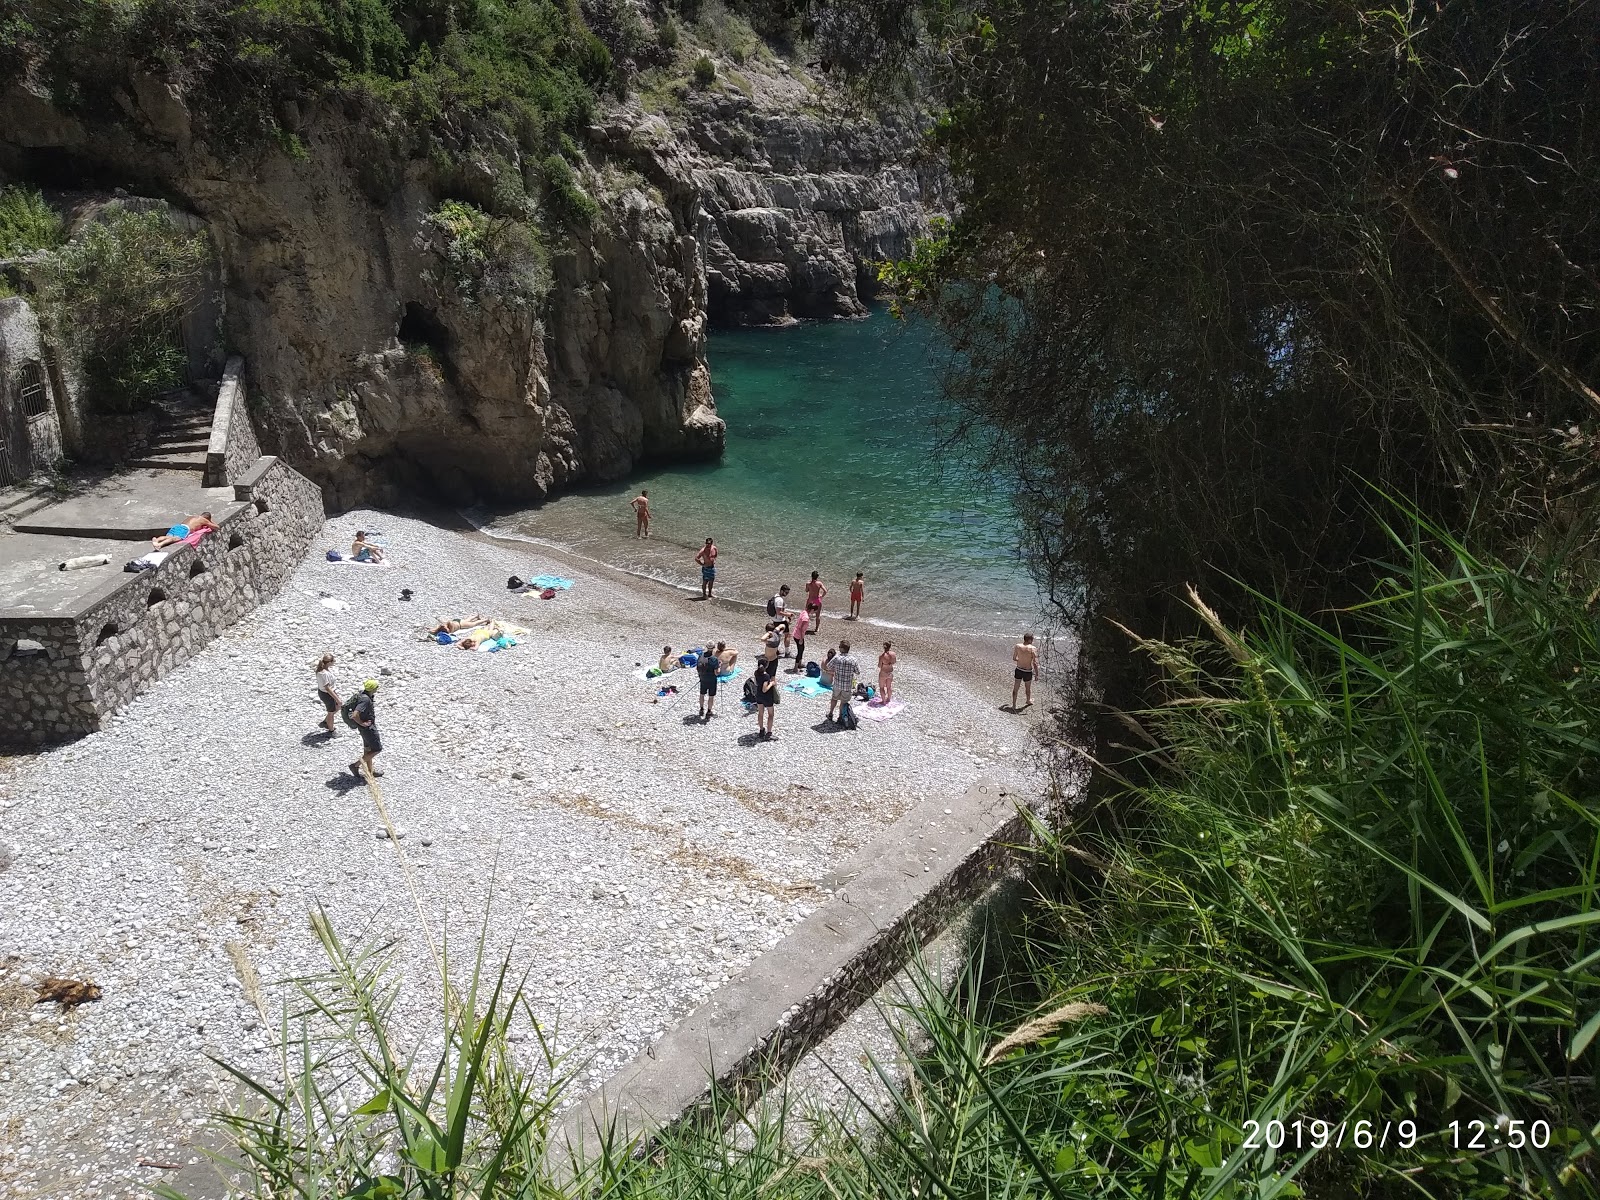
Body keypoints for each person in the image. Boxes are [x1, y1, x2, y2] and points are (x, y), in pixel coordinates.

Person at [349, 679, 383, 779]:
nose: (377, 688)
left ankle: (370, 771)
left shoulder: (361, 695)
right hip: (368, 728)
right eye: (376, 687)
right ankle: (355, 765)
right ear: (372, 689)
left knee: (368, 749)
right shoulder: (366, 700)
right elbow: (355, 715)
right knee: (377, 749)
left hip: (364, 729)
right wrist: (362, 723)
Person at [827, 641, 861, 726]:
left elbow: (828, 666)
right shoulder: (853, 660)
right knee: (843, 701)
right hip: (847, 685)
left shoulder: (836, 658)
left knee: (834, 698)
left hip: (837, 683)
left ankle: (830, 713)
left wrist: (837, 669)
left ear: (842, 648)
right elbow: (858, 672)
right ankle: (840, 717)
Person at [151, 512, 216, 550]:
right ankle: (160, 544)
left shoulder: (193, 516)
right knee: (175, 538)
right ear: (207, 518)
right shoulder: (203, 520)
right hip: (185, 529)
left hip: (178, 526)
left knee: (168, 537)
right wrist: (210, 521)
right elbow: (217, 527)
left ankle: (157, 540)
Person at [1012, 633, 1039, 710]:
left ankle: (1014, 705)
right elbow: (1035, 663)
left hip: (1019, 669)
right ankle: (1028, 700)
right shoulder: (1033, 648)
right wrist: (1037, 674)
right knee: (1027, 688)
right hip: (1027, 671)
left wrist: (1020, 660)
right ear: (1030, 640)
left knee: (1016, 688)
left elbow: (1014, 658)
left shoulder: (1017, 646)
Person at [314, 653, 340, 734]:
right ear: (328, 662)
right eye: (333, 661)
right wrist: (337, 698)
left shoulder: (322, 670)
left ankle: (326, 722)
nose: (334, 662)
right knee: (331, 712)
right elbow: (327, 688)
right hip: (327, 694)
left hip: (325, 692)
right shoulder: (324, 673)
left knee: (338, 707)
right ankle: (331, 730)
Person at [754, 662, 779, 740]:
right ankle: (769, 733)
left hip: (759, 695)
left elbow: (755, 683)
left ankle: (761, 730)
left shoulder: (756, 673)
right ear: (766, 666)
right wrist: (771, 683)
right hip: (767, 697)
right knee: (770, 714)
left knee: (760, 713)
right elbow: (764, 689)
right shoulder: (766, 676)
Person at [696, 645, 722, 719]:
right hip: (712, 680)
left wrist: (700, 676)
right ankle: (709, 711)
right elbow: (717, 673)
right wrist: (719, 666)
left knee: (702, 694)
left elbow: (697, 668)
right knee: (711, 696)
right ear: (713, 648)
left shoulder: (701, 656)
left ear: (707, 647)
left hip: (703, 678)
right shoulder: (714, 659)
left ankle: (701, 709)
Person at [789, 606, 810, 671]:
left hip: (796, 633)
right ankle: (795, 667)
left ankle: (799, 664)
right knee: (800, 651)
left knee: (802, 649)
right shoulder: (806, 618)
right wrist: (801, 638)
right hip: (799, 636)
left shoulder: (804, 612)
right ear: (812, 609)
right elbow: (801, 628)